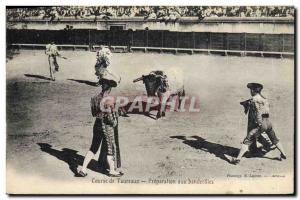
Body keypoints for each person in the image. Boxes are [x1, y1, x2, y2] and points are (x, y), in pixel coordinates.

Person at [231, 83, 287, 164]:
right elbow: (266, 110)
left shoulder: (253, 100)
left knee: (247, 140)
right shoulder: (264, 98)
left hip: (261, 123)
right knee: (274, 139)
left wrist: (259, 124)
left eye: (251, 90)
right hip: (268, 122)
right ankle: (283, 153)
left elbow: (257, 112)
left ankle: (238, 159)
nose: (250, 91)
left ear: (253, 90)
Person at [78, 77, 123, 177]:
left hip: (97, 124)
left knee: (94, 147)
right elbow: (110, 116)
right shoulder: (109, 99)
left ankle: (83, 169)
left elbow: (94, 113)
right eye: (110, 86)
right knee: (110, 147)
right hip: (106, 126)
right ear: (109, 87)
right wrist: (114, 121)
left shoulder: (94, 98)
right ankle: (111, 170)